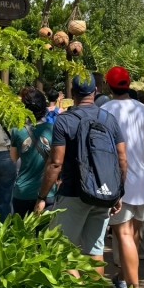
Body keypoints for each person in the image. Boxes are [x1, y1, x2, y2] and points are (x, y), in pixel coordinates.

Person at [34, 73, 126, 269]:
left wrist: (42, 196)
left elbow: (55, 163)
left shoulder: (65, 120)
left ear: (72, 93)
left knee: (61, 251)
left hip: (73, 193)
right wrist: (118, 193)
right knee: (95, 251)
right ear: (95, 91)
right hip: (103, 193)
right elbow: (122, 159)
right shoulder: (109, 119)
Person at [101, 66, 144, 288]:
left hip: (119, 180)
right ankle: (125, 280)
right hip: (141, 179)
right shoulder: (143, 110)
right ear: (128, 84)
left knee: (124, 235)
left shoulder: (105, 110)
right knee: (133, 234)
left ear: (108, 86)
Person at [10, 89, 54, 217]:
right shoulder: (53, 129)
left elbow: (13, 157)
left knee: (21, 235)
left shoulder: (17, 130)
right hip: (48, 192)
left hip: (23, 191)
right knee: (45, 235)